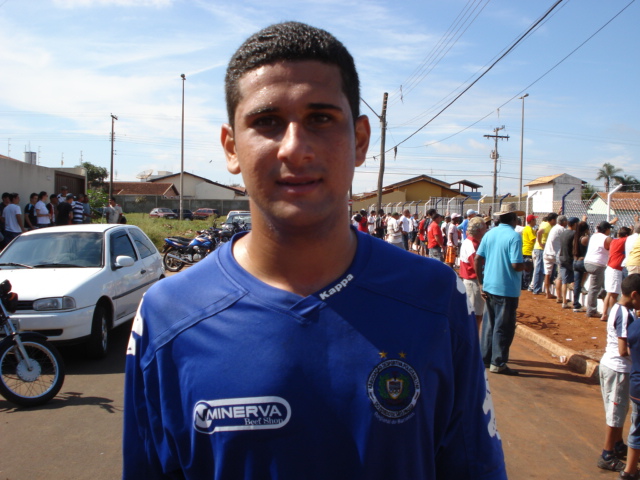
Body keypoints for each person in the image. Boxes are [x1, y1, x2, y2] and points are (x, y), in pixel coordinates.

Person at [123, 21, 506, 479]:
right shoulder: (167, 316)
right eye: (266, 122)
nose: (295, 148)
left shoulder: (434, 298)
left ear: (359, 140)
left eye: (320, 119)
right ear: (231, 147)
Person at [475, 203, 529, 376]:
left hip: (489, 285)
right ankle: (498, 362)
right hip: (507, 288)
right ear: (513, 218)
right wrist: (526, 266)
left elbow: (477, 259)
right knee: (504, 327)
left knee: (490, 324)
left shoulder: (490, 234)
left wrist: (481, 283)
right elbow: (515, 264)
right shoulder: (514, 236)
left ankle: (485, 358)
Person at [597, 274, 640, 475]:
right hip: (618, 368)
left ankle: (617, 444)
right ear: (634, 295)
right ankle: (607, 454)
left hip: (612, 366)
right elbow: (623, 350)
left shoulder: (618, 308)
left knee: (617, 410)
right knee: (615, 414)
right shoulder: (625, 314)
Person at [615, 274, 640, 479]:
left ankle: (630, 470)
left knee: (636, 427)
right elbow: (623, 350)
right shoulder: (630, 320)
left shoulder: (634, 326)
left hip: (635, 384)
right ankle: (630, 471)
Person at [585, 220, 617, 319]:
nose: (610, 231)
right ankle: (591, 310)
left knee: (601, 285)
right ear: (606, 229)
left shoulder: (594, 235)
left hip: (588, 262)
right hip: (597, 264)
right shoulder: (607, 239)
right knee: (594, 288)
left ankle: (601, 296)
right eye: (609, 229)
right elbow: (613, 249)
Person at [460, 216, 487, 328]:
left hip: (471, 281)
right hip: (473, 282)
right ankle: (473, 337)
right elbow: (477, 265)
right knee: (476, 315)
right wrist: (482, 284)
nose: (486, 230)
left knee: (475, 314)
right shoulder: (473, 244)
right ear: (479, 230)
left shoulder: (469, 241)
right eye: (485, 228)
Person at [603, 227, 631, 321]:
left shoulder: (614, 241)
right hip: (615, 269)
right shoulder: (623, 240)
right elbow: (632, 237)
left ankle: (605, 314)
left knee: (609, 293)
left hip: (610, 267)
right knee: (614, 295)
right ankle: (612, 315)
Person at [558, 217, 580, 309]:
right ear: (574, 224)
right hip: (570, 259)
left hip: (562, 257)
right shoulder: (574, 234)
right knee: (575, 280)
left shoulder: (563, 233)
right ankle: (575, 301)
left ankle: (564, 302)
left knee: (564, 281)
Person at [542, 213, 563, 299]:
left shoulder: (553, 228)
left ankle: (548, 293)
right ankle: (559, 296)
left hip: (547, 252)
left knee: (547, 274)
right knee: (560, 274)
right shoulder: (561, 229)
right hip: (556, 254)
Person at [572, 220, 591, 312]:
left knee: (576, 284)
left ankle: (576, 304)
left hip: (575, 261)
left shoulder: (576, 238)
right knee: (591, 271)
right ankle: (582, 286)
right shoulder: (585, 238)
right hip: (582, 261)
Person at [521, 214, 537, 290]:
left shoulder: (527, 228)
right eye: (534, 220)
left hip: (526, 250)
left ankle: (524, 284)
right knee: (528, 269)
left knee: (526, 269)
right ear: (531, 221)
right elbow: (533, 239)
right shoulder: (529, 229)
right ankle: (526, 285)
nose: (535, 221)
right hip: (528, 251)